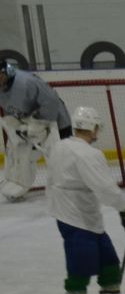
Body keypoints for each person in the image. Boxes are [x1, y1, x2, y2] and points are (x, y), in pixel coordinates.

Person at [46, 106, 125, 294]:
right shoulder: (88, 155)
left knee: (110, 266)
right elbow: (105, 188)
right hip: (76, 219)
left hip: (83, 217)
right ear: (93, 127)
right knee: (79, 272)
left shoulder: (60, 146)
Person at [1, 59, 73, 202]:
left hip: (55, 122)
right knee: (19, 153)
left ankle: (70, 187)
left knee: (60, 156)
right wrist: (20, 126)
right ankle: (17, 184)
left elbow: (51, 102)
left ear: (5, 72)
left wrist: (35, 125)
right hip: (28, 124)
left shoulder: (27, 82)